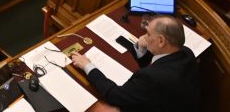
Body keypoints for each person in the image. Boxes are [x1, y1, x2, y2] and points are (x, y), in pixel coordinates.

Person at [70, 15, 199, 111]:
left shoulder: (151, 78)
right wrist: (143, 48)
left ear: (161, 41)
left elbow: (114, 95)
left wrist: (87, 65)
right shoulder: (186, 53)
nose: (145, 37)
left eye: (148, 34)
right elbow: (159, 65)